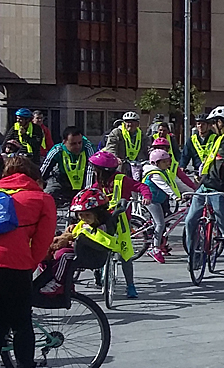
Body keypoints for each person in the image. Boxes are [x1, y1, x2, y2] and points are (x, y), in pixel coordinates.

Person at [0, 154, 56, 368]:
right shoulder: (42, 199)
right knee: (22, 324)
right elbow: (43, 242)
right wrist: (28, 263)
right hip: (16, 267)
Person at [185, 106, 224, 280]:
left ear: (220, 122)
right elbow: (213, 161)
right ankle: (195, 256)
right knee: (190, 221)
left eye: (213, 123)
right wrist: (201, 177)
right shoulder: (222, 138)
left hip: (220, 190)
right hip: (205, 186)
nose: (212, 126)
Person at [89, 151, 151, 297]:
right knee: (97, 246)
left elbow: (141, 187)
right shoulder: (98, 185)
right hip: (103, 221)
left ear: (103, 171)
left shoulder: (122, 180)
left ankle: (130, 286)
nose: (94, 172)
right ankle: (98, 271)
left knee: (125, 253)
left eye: (96, 169)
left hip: (122, 222)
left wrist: (146, 197)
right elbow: (88, 194)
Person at [142, 149, 191, 263]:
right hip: (152, 200)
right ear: (156, 163)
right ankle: (154, 249)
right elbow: (165, 187)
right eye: (164, 162)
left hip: (159, 199)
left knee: (162, 221)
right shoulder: (155, 174)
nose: (168, 163)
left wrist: (192, 191)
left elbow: (176, 184)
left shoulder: (164, 172)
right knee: (160, 223)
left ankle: (159, 242)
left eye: (168, 161)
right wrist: (175, 197)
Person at [40, 126, 94, 207]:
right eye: (73, 144)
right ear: (64, 142)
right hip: (62, 181)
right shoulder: (57, 150)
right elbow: (43, 171)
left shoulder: (88, 148)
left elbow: (91, 170)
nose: (78, 146)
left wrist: (86, 193)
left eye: (80, 142)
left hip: (85, 182)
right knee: (47, 195)